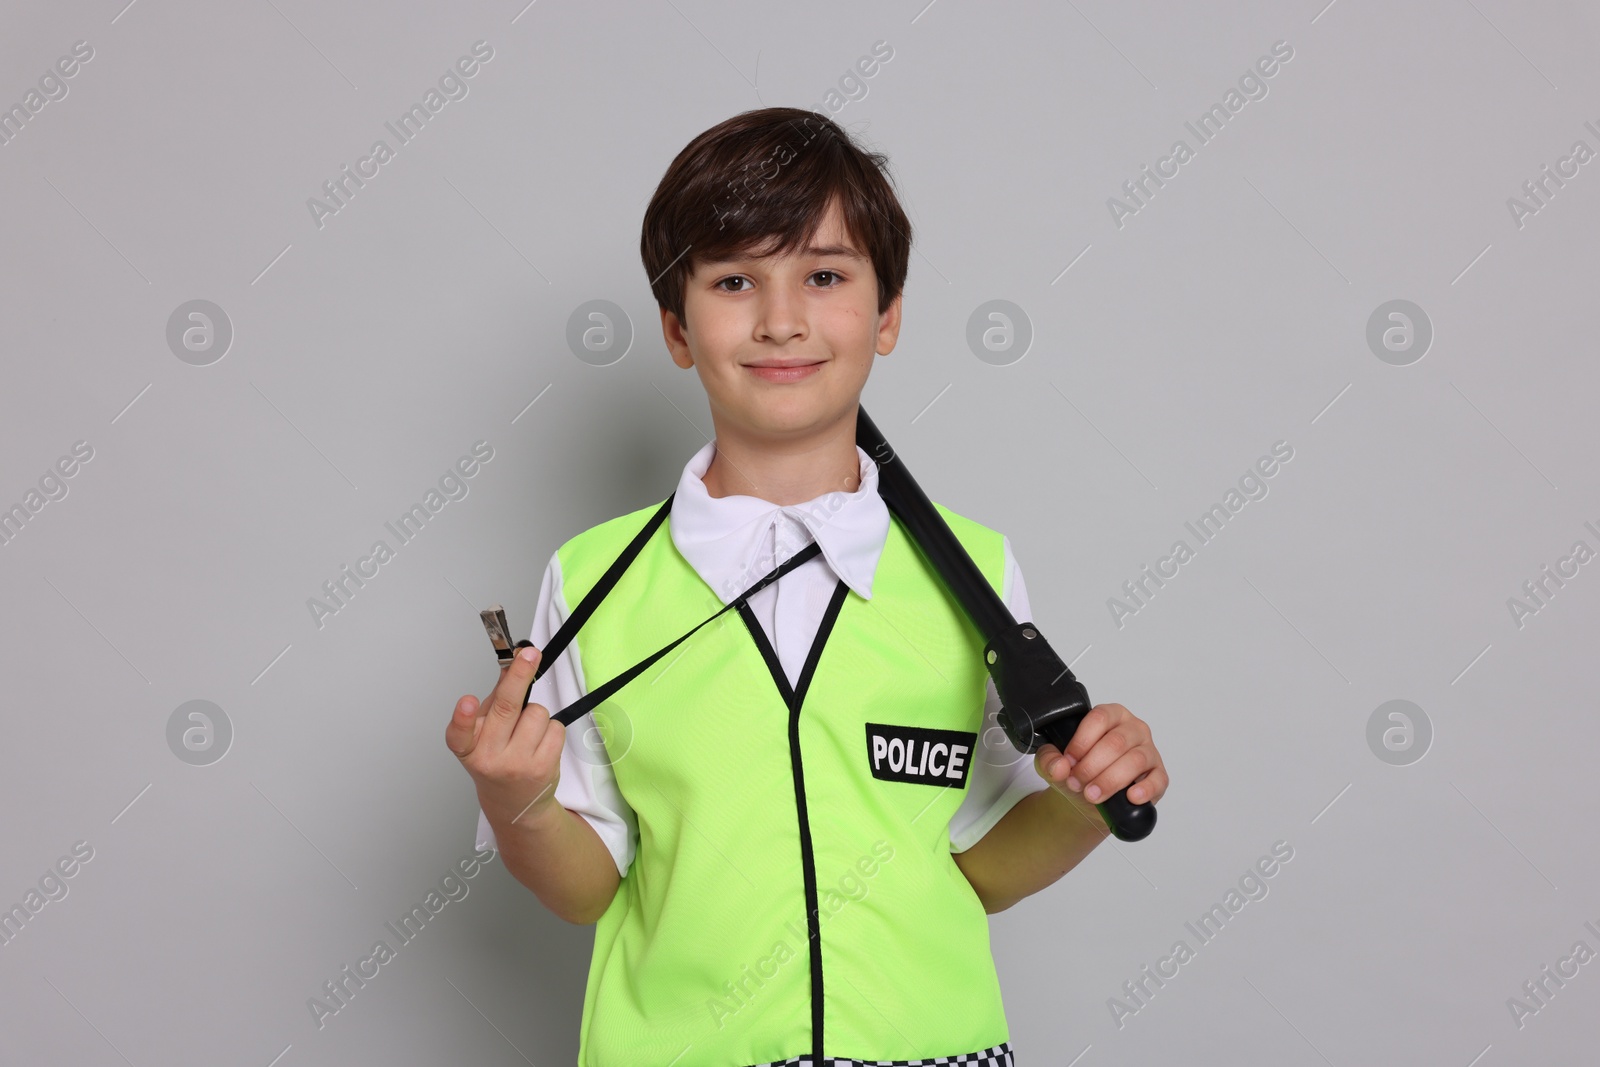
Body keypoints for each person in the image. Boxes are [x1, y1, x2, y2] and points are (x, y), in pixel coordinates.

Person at [445, 106, 1169, 1067]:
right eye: (735, 280)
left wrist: (1085, 801)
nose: (781, 319)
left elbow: (980, 867)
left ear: (889, 312)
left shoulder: (975, 570)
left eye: (825, 276)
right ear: (676, 326)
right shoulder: (592, 579)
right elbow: (584, 890)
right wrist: (518, 800)